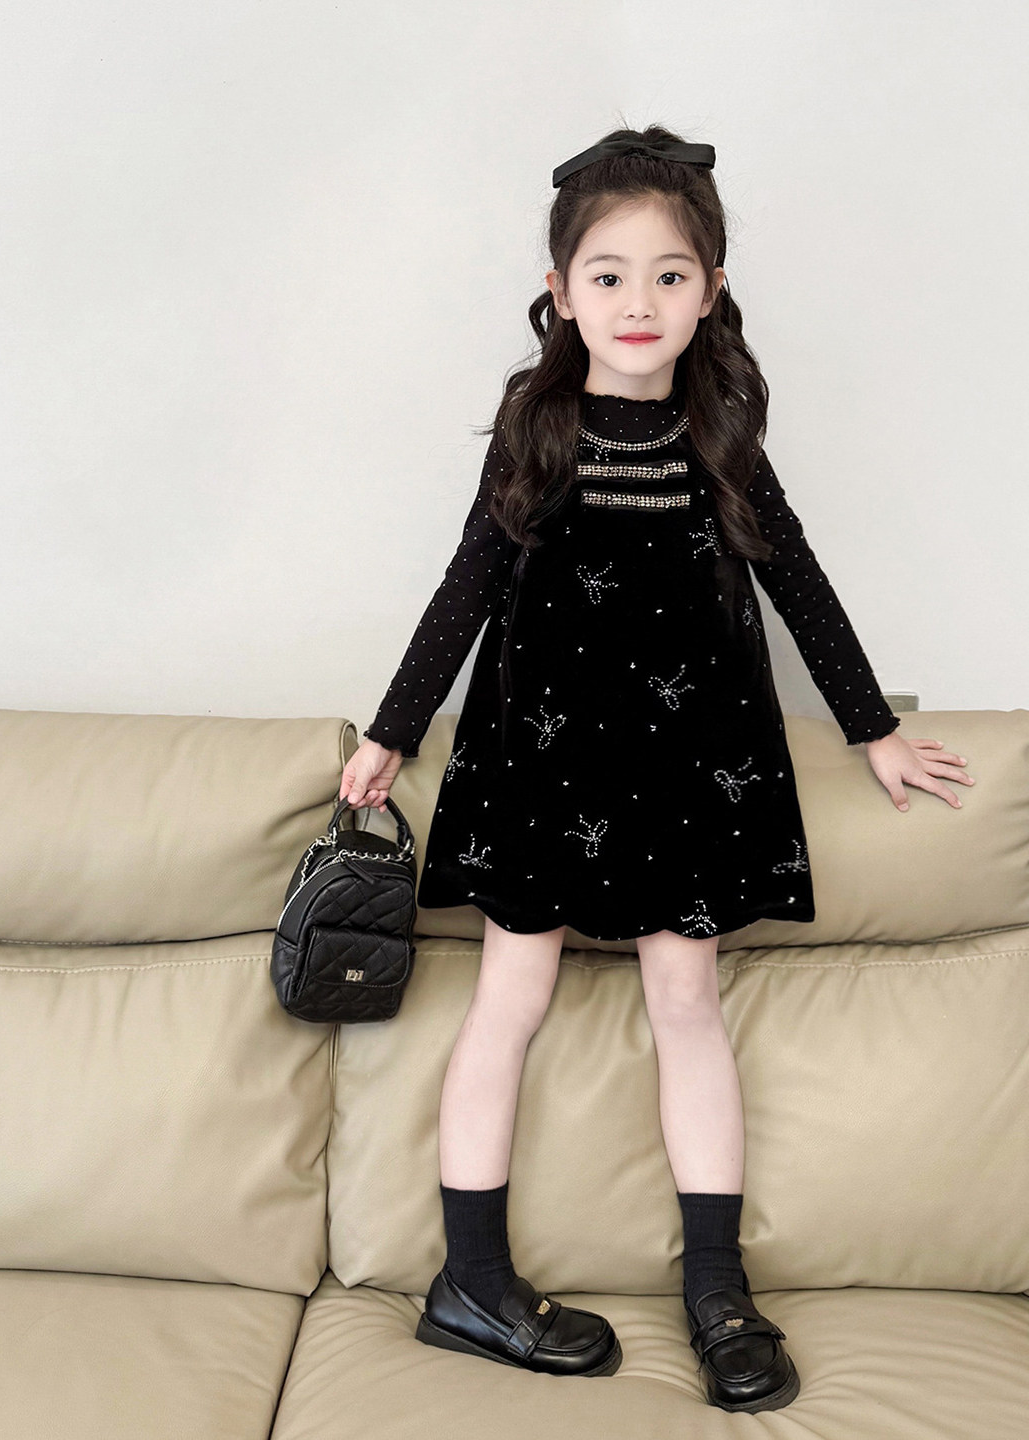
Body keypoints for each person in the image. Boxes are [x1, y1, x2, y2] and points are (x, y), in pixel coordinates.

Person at [339, 124, 974, 1413]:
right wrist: (392, 731)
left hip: (693, 770)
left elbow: (797, 580)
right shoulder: (535, 430)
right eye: (610, 275)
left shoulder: (721, 430)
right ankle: (471, 1281)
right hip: (543, 761)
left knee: (687, 1003)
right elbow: (467, 583)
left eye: (671, 275)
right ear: (562, 292)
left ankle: (719, 1294)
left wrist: (873, 730)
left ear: (713, 291)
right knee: (509, 996)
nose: (640, 301)